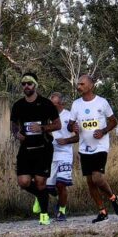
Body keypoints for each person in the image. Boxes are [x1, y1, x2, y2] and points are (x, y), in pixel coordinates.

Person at [70, 74, 118, 223]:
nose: (78, 86)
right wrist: (72, 126)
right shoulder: (76, 104)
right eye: (78, 84)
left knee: (97, 178)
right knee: (90, 182)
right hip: (84, 147)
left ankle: (113, 198)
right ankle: (102, 211)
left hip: (100, 146)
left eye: (81, 84)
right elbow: (70, 125)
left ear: (90, 86)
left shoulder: (102, 102)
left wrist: (103, 131)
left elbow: (113, 121)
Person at [10, 72, 60, 226]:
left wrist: (42, 127)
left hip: (43, 147)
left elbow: (58, 125)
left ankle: (44, 216)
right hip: (26, 148)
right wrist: (16, 134)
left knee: (40, 182)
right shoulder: (18, 105)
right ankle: (41, 196)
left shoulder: (46, 103)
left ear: (35, 85)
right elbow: (13, 125)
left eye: (29, 83)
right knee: (23, 182)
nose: (26, 86)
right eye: (23, 83)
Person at [46, 92, 79, 220]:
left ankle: (62, 211)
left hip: (65, 153)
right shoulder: (47, 117)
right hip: (51, 154)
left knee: (61, 184)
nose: (52, 107)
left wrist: (66, 141)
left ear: (61, 103)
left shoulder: (69, 116)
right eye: (51, 104)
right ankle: (59, 200)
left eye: (55, 104)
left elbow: (77, 136)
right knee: (49, 187)